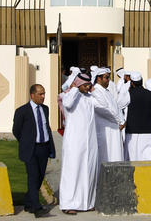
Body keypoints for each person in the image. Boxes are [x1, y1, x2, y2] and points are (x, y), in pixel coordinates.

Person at [12, 84, 55, 218]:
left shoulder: (45, 109)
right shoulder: (22, 111)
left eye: (44, 94)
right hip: (30, 149)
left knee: (40, 177)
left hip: (44, 147)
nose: (43, 96)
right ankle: (37, 208)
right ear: (32, 95)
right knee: (33, 176)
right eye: (40, 94)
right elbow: (16, 130)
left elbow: (46, 127)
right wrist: (26, 142)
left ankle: (29, 203)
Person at [59, 73, 98, 215]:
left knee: (88, 171)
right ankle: (68, 203)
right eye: (86, 85)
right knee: (73, 171)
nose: (89, 87)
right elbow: (67, 104)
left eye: (89, 85)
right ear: (78, 84)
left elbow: (104, 104)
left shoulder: (89, 98)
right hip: (74, 141)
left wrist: (94, 91)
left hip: (90, 141)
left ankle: (86, 202)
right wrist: (75, 88)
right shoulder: (69, 95)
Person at [91, 67, 125, 164]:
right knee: (107, 157)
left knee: (116, 156)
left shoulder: (106, 91)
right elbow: (104, 110)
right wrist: (119, 121)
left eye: (109, 78)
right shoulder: (96, 92)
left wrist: (122, 121)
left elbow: (116, 107)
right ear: (98, 79)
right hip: (106, 130)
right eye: (106, 78)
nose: (108, 80)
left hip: (115, 128)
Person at [123, 71, 151, 161]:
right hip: (149, 131)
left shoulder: (128, 94)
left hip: (133, 131)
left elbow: (119, 106)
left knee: (133, 158)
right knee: (149, 158)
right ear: (142, 81)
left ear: (131, 83)